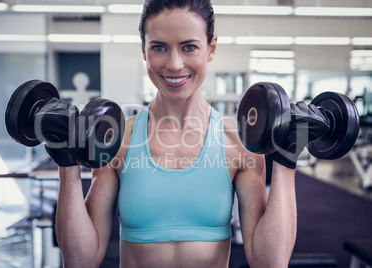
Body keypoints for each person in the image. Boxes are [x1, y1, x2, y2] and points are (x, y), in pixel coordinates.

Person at [52, 0, 301, 267]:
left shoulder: (237, 143)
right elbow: (80, 260)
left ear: (211, 48)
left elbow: (270, 262)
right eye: (159, 47)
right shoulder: (119, 140)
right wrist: (66, 161)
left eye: (189, 47)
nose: (174, 64)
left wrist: (287, 160)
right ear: (144, 50)